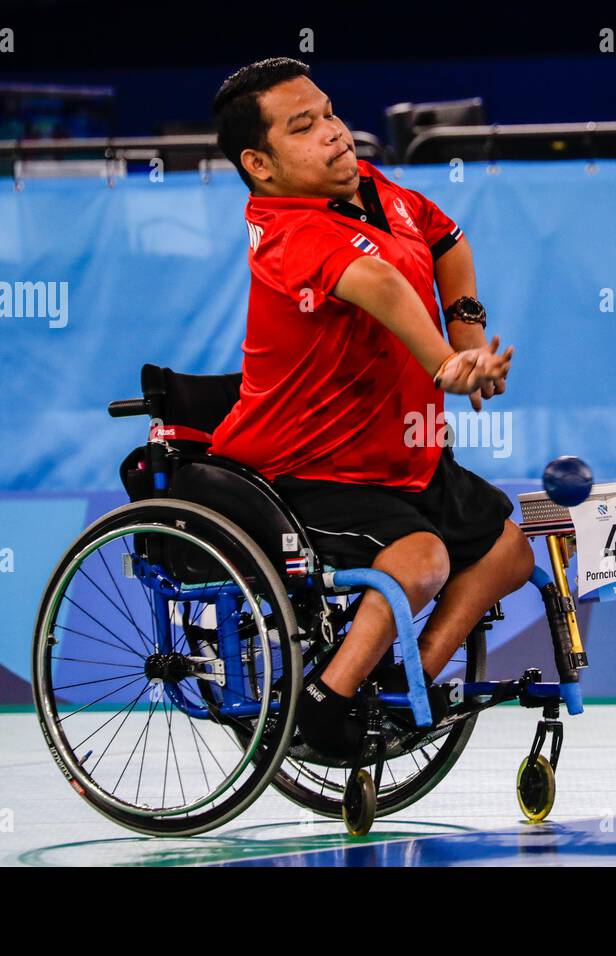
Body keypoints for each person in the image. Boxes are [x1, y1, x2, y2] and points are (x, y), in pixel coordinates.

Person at [207, 58, 535, 758]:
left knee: (507, 549)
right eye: (306, 126)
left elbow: (446, 240)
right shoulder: (287, 234)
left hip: (399, 458)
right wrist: (445, 363)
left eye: (329, 113)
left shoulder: (377, 191)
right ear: (260, 165)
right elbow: (379, 282)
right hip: (306, 469)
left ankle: (408, 681)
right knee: (421, 561)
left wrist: (469, 338)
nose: (335, 133)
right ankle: (323, 704)